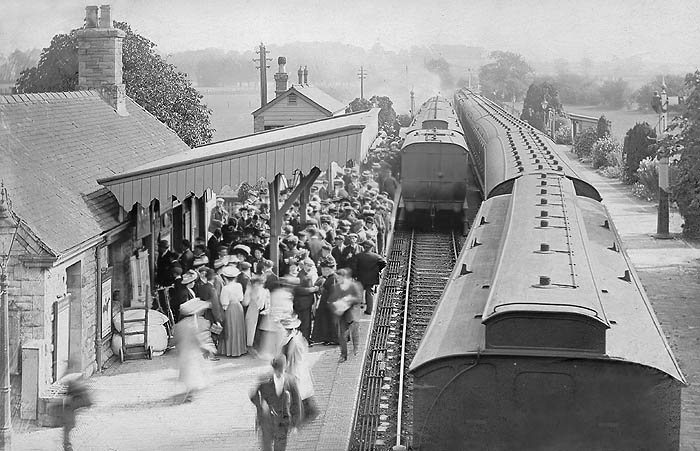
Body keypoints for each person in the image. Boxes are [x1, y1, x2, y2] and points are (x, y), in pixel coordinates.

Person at [250, 355, 303, 451]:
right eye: (277, 371)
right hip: (267, 421)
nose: (279, 373)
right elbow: (253, 395)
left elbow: (296, 402)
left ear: (285, 367)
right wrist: (261, 406)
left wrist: (295, 424)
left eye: (281, 370)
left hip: (282, 422)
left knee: (280, 448)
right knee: (266, 448)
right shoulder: (265, 380)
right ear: (274, 369)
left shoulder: (290, 381)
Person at [173, 298, 216, 402]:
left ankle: (190, 391)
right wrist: (206, 348)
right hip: (193, 352)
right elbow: (197, 339)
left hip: (184, 350)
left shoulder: (179, 325)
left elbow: (175, 340)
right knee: (195, 372)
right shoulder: (194, 324)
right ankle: (191, 393)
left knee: (189, 373)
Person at [281, 316, 318, 425]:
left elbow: (297, 359)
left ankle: (302, 417)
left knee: (299, 394)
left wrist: (290, 370)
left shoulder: (295, 342)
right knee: (302, 394)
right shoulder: (293, 338)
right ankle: (308, 414)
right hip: (295, 370)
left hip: (297, 370)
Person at [329, 268, 363, 363]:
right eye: (336, 278)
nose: (337, 280)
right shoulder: (335, 287)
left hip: (352, 313)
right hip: (341, 314)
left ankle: (356, 348)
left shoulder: (353, 286)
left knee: (354, 332)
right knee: (342, 335)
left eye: (339, 278)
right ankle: (343, 355)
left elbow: (359, 298)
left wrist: (348, 300)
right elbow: (331, 300)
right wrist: (336, 305)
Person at [218, 265, 248, 357]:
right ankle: (239, 349)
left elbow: (224, 302)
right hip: (238, 307)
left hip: (230, 308)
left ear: (225, 278)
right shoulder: (238, 286)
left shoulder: (225, 288)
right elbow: (241, 297)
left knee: (230, 328)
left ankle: (230, 350)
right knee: (238, 328)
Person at [352, 240, 387, 315]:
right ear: (371, 248)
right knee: (369, 293)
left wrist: (355, 275)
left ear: (364, 247)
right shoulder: (376, 256)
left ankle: (357, 310)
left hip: (360, 277)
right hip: (372, 277)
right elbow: (384, 263)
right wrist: (378, 269)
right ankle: (369, 310)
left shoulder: (358, 256)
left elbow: (354, 267)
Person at [61, 372, 93, 451]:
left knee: (68, 427)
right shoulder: (77, 385)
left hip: (71, 406)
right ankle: (67, 445)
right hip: (71, 407)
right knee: (68, 426)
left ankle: (67, 445)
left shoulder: (74, 385)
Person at [311, 258, 338, 345]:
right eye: (323, 269)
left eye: (326, 269)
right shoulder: (332, 277)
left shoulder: (332, 279)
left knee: (328, 321)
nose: (323, 271)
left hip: (329, 303)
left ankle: (333, 339)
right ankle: (330, 338)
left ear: (331, 269)